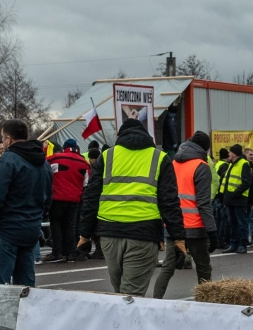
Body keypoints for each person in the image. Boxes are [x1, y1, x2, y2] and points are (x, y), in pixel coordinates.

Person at [78, 117, 182, 295]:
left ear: (120, 136)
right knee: (131, 296)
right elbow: (169, 201)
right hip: (143, 233)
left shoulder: (107, 156)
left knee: (121, 294)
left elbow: (91, 197)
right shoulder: (159, 157)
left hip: (109, 235)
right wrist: (178, 238)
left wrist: (85, 235)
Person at [0, 119, 52, 290]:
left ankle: (5, 318)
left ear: (9, 139)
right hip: (30, 230)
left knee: (0, 291)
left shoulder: (7, 161)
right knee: (26, 291)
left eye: (3, 138)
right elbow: (47, 199)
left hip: (4, 231)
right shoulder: (44, 164)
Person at [152, 131, 215, 299]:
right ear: (205, 149)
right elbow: (203, 203)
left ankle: (155, 300)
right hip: (196, 228)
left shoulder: (173, 163)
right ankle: (205, 302)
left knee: (167, 267)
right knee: (203, 267)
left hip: (175, 227)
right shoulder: (201, 166)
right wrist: (212, 230)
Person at [47, 138, 90, 262]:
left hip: (57, 197)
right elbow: (86, 184)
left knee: (56, 225)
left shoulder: (55, 159)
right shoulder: (84, 162)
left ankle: (57, 252)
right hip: (74, 199)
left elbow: (46, 174)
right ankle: (70, 253)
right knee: (70, 226)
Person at [217, 145, 253, 255]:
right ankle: (233, 244)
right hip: (230, 199)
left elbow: (246, 183)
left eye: (230, 152)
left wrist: (234, 194)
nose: (229, 154)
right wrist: (225, 197)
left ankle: (242, 245)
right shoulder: (232, 164)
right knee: (232, 223)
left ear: (234, 154)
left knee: (241, 223)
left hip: (239, 199)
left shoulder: (243, 164)